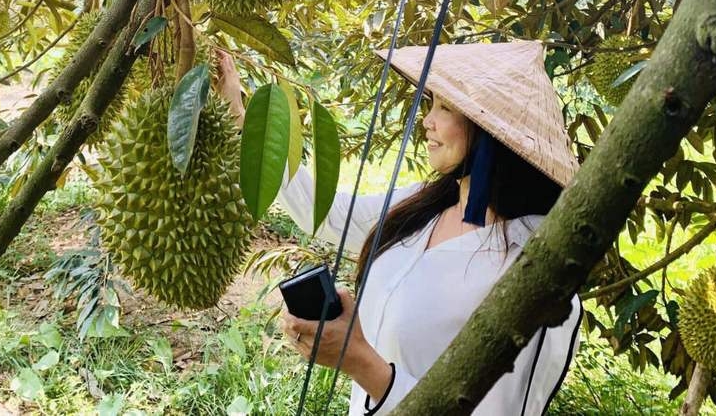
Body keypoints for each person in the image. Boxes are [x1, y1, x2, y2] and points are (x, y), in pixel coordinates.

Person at [216, 40, 583, 416]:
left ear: (490, 131)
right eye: (432, 104)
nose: (427, 120)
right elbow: (326, 214)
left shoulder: (532, 271)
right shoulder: (426, 205)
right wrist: (241, 117)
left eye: (446, 107)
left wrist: (359, 360)